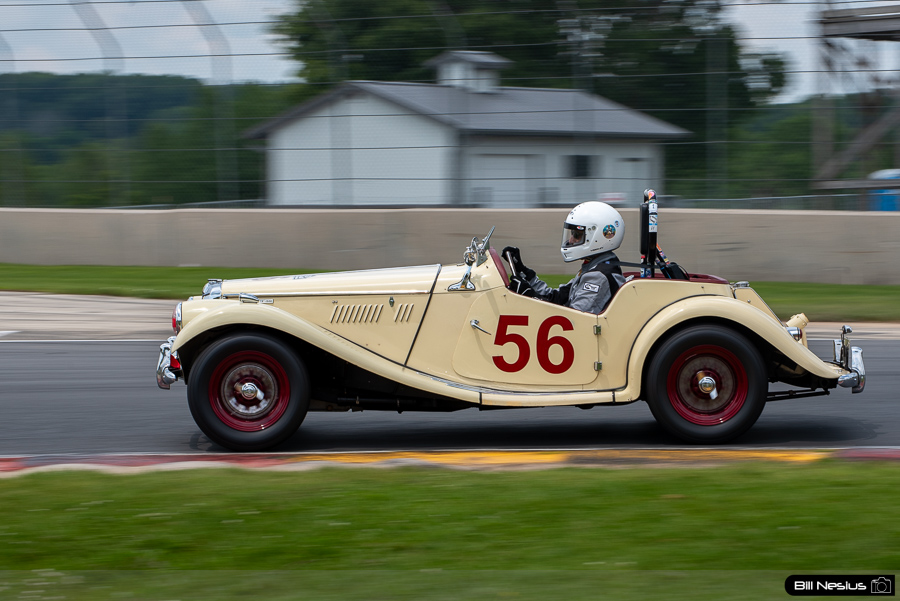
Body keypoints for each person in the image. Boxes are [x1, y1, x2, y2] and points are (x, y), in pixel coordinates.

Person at [502, 201, 626, 314]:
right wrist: (525, 273)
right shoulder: (594, 267)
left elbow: (573, 319)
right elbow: (557, 296)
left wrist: (530, 295)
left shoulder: (599, 276)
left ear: (597, 237)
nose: (571, 240)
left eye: (576, 235)